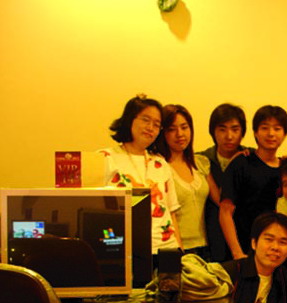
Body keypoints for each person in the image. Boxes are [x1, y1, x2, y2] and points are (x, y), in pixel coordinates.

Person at [100, 95, 182, 255]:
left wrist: (179, 251)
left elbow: (171, 212)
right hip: (124, 248)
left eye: (156, 124)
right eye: (146, 120)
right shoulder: (105, 158)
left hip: (166, 248)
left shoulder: (160, 163)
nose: (150, 127)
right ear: (129, 119)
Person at [220, 105, 287, 260]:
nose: (271, 134)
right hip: (245, 251)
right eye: (265, 128)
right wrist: (237, 253)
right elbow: (225, 212)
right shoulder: (241, 163)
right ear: (255, 133)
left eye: (277, 129)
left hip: (277, 252)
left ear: (284, 134)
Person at [155, 104, 221, 260]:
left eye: (184, 127)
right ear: (163, 133)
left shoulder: (200, 163)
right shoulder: (158, 166)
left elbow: (220, 201)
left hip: (206, 247)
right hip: (175, 248)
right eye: (172, 129)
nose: (180, 134)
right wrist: (180, 251)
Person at [198, 104, 251, 262]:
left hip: (246, 239)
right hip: (210, 241)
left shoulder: (252, 158)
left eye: (235, 129)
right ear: (213, 132)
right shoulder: (202, 160)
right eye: (222, 129)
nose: (229, 136)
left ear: (242, 132)